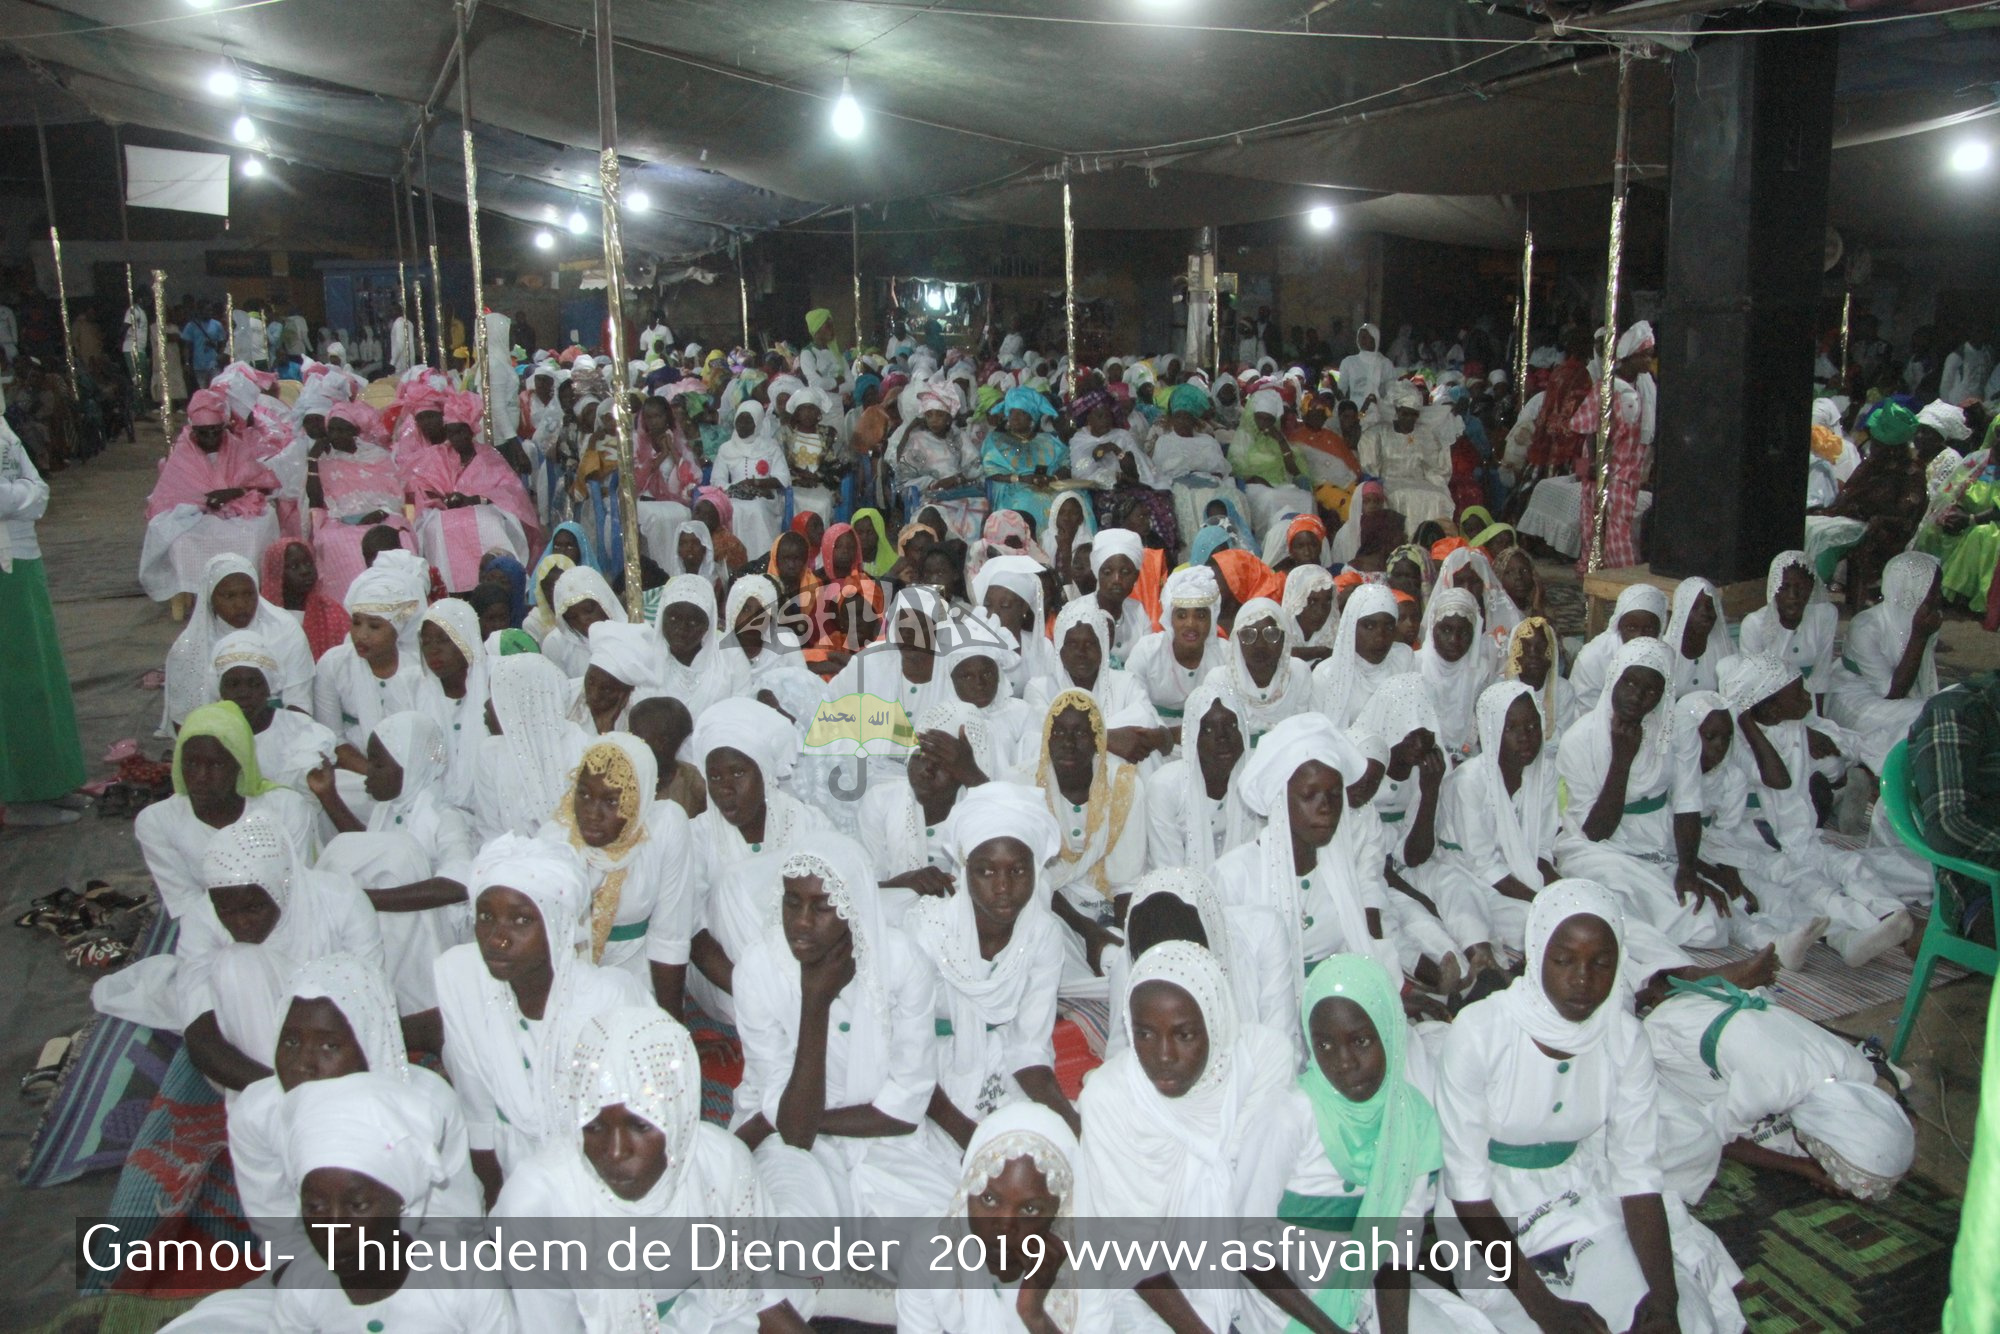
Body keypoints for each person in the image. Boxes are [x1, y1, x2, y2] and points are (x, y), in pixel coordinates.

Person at [1435, 881, 1746, 1334]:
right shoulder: (1480, 1032)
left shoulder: (1623, 1038)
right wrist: (1546, 1310)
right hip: (1489, 1217)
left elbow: (1636, 1176)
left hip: (1581, 1190)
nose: (1583, 979)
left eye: (1601, 963)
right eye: (1564, 960)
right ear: (1537, 953)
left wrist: (1664, 1304)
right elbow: (1468, 1190)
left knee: (1683, 1318)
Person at [493, 1006, 809, 1334]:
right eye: (594, 1127)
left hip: (698, 1314)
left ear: (679, 1115)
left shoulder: (720, 1163)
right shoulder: (538, 1205)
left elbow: (756, 1296)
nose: (616, 1152)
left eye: (640, 1125)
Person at [1237, 954, 1501, 1334]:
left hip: (1366, 1282)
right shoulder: (1289, 1116)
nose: (1344, 1062)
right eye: (1325, 1045)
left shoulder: (1410, 1120)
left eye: (1360, 1041)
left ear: (1389, 1031)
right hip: (1287, 1298)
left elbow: (1395, 1248)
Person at [731, 833, 959, 1219]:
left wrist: (792, 1120)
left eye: (823, 906)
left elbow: (904, 1109)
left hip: (881, 1139)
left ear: (853, 905)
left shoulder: (902, 961)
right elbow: (795, 1136)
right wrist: (815, 1004)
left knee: (936, 1229)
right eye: (792, 902)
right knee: (795, 1229)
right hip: (791, 1146)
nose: (801, 923)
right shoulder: (757, 970)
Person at [1074, 940, 1293, 1334]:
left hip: (1244, 1264)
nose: (1163, 1056)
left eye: (1185, 1035)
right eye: (1144, 1034)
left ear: (1215, 1024)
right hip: (1138, 1291)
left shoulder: (1253, 1065)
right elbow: (1132, 1258)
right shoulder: (1110, 1098)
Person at [435, 835, 650, 1200]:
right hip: (515, 1167)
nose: (497, 938)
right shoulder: (462, 980)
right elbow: (478, 1112)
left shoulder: (608, 1000)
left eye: (521, 920)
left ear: (557, 926)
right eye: (486, 917)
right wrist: (500, 1203)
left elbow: (643, 1124)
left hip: (605, 1171)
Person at [228, 953, 482, 1257]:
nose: (304, 1064)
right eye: (291, 1042)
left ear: (369, 1044)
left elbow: (454, 1223)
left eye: (329, 1046)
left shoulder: (427, 1102)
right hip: (320, 1264)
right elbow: (281, 1236)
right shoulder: (257, 1113)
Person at [910, 781, 1077, 1137]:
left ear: (1035, 871)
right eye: (986, 871)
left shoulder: (1042, 934)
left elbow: (1028, 1047)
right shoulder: (927, 931)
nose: (1003, 887)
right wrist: (968, 1136)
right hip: (926, 1082)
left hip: (1002, 1065)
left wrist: (1071, 1123)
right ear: (964, 870)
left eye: (1017, 871)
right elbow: (906, 1054)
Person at [177, 815, 385, 1097]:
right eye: (225, 910)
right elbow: (201, 1035)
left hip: (339, 1049)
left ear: (281, 886)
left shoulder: (341, 899)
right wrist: (282, 1092)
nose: (240, 923)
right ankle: (281, 1111)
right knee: (238, 962)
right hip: (248, 1070)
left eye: (253, 908)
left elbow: (369, 1005)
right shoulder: (201, 918)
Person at [1555, 638, 1734, 948]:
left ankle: (1642, 939)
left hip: (1659, 844)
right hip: (1597, 850)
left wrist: (1687, 869)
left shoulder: (1677, 731)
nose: (1637, 696)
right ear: (1614, 678)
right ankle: (1661, 955)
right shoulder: (1579, 738)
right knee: (1608, 888)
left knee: (1710, 924)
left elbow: (1687, 803)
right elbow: (1595, 832)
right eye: (1629, 682)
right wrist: (1621, 761)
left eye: (1651, 690)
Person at [686, 698, 834, 1025]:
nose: (726, 788)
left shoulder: (808, 822)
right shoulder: (695, 837)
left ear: (764, 773)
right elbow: (694, 936)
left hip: (802, 969)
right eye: (715, 777)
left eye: (738, 772)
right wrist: (752, 992)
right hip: (729, 981)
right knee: (732, 886)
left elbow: (839, 902)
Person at [894, 1102, 1102, 1334]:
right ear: (967, 1191)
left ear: (1059, 1213)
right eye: (989, 1199)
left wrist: (1034, 1316)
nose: (1004, 1226)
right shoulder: (930, 1253)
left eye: (1029, 1209)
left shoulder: (1086, 1273)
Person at [539, 733, 696, 1016]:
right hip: (566, 980)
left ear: (637, 802)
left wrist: (671, 1023)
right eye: (584, 795)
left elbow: (669, 936)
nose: (592, 813)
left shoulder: (665, 827)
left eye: (611, 802)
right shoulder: (556, 840)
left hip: (639, 977)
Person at [136, 701, 319, 924]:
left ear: (240, 765)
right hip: (209, 927)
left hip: (289, 920)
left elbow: (298, 887)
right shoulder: (157, 821)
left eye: (216, 765)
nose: (201, 777)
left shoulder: (285, 807)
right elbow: (186, 902)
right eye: (191, 764)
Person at [1026, 689, 1151, 999]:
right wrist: (1087, 931)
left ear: (1098, 739)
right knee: (1043, 958)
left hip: (1107, 907)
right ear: (1046, 738)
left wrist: (1123, 940)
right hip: (1053, 910)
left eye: (1081, 733)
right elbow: (1033, 882)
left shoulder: (1124, 786)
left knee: (1119, 964)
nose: (1068, 743)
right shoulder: (1025, 787)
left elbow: (1126, 883)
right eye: (1059, 732)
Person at [1437, 681, 1562, 954]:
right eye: (1511, 729)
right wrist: (1541, 900)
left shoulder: (1545, 773)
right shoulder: (1469, 782)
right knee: (1539, 924)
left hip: (1519, 871)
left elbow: (1541, 850)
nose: (1525, 737)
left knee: (1577, 907)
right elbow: (1483, 865)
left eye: (1532, 727)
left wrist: (1559, 891)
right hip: (1469, 875)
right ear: (1490, 732)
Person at [139, 388, 282, 602]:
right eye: (204, 433)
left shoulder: (235, 447)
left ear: (224, 428)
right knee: (178, 539)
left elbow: (262, 484)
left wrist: (234, 492)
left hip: (237, 514)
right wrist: (200, 503)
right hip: (195, 518)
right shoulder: (182, 453)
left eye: (216, 431)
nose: (211, 438)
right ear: (193, 431)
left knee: (256, 530)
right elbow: (169, 496)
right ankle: (196, 588)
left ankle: (246, 586)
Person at [162, 551, 315, 734]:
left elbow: (299, 703)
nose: (241, 604)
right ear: (211, 598)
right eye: (229, 596)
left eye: (248, 594)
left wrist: (278, 743)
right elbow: (183, 722)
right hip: (214, 739)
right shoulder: (188, 647)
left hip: (281, 732)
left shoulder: (285, 630)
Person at [1824, 550, 1943, 771]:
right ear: (1909, 590)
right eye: (1932, 592)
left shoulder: (1923, 617)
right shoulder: (1865, 626)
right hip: (1855, 695)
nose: (1939, 598)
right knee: (1927, 715)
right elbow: (1891, 691)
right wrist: (1919, 636)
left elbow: (1922, 674)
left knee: (1944, 707)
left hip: (1892, 695)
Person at [472, 652, 590, 842]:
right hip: (509, 856)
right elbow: (490, 831)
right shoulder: (491, 753)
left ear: (525, 701)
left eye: (497, 696)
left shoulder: (582, 746)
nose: (487, 705)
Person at [313, 562, 430, 750]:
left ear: (398, 629)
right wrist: (370, 768)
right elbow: (333, 738)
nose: (361, 635)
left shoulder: (420, 669)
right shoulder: (334, 664)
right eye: (356, 623)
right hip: (351, 765)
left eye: (374, 626)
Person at [1145, 679, 1256, 875]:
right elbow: (1169, 871)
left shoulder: (1254, 782)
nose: (1222, 738)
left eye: (1232, 725)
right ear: (1192, 737)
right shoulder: (1165, 787)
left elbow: (1255, 864)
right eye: (1208, 729)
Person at [1124, 565, 1228, 723]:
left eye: (1200, 615)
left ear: (1212, 619)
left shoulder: (1226, 655)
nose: (1191, 624)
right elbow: (1132, 705)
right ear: (1170, 619)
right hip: (1153, 731)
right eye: (1181, 615)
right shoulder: (1148, 651)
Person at [1311, 583, 1413, 729]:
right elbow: (1319, 734)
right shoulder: (1327, 674)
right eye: (1369, 626)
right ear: (1351, 627)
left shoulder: (1403, 658)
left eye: (1389, 626)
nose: (1380, 637)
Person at [1213, 595, 1313, 744]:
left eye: (1271, 634)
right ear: (1237, 639)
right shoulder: (1219, 680)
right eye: (1248, 634)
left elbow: (1305, 732)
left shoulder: (1299, 672)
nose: (1260, 645)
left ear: (1284, 639)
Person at [1358, 381, 1453, 528]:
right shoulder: (1379, 433)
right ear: (1397, 412)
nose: (1409, 418)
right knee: (1399, 496)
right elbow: (1370, 467)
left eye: (1413, 415)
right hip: (1390, 482)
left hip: (1420, 481)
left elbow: (1434, 467)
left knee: (1438, 496)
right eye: (1405, 414)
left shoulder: (1424, 434)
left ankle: (1430, 536)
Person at [1414, 586, 1492, 761]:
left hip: (1469, 759)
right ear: (1433, 627)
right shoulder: (1415, 665)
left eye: (1464, 632)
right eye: (1446, 630)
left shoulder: (1481, 670)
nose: (1454, 640)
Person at [1569, 582, 1669, 715]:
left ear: (1660, 630)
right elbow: (1586, 708)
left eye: (1649, 629)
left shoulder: (1665, 656)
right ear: (1619, 626)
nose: (1639, 636)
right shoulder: (1594, 656)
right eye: (1631, 628)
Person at [982, 388, 1070, 536]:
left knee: (1070, 502)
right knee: (1028, 501)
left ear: (1032, 418)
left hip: (1049, 485)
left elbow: (1065, 464)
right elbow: (991, 471)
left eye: (1022, 413)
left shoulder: (1048, 440)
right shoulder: (996, 440)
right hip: (1014, 488)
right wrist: (1021, 479)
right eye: (1012, 413)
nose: (1015, 418)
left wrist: (1052, 478)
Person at [710, 400, 790, 558]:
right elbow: (717, 479)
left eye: (748, 421)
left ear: (758, 423)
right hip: (734, 495)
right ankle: (736, 561)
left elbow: (783, 478)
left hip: (764, 497)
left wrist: (756, 484)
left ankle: (762, 559)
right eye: (740, 420)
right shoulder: (726, 448)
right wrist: (735, 489)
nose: (742, 425)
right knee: (734, 510)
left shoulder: (770, 447)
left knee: (757, 508)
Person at [260, 536, 350, 661]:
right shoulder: (261, 617)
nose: (305, 571)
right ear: (276, 573)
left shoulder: (332, 613)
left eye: (308, 563)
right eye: (294, 567)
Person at [1502, 614, 1578, 746]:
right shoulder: (1500, 690)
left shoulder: (1563, 690)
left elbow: (1564, 739)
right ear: (1514, 653)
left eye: (1541, 648)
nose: (1533, 654)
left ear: (1551, 653)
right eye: (1525, 648)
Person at [1665, 576, 1734, 698]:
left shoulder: (1727, 647)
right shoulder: (1664, 650)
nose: (1704, 613)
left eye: (1710, 606)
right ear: (1681, 612)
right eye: (1695, 607)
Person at [1336, 323, 1396, 413]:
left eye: (1365, 337)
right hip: (1354, 413)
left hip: (1378, 413)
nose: (1361, 339)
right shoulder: (1349, 362)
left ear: (1375, 338)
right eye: (1359, 337)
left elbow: (1392, 392)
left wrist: (1381, 404)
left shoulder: (1385, 363)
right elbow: (1341, 388)